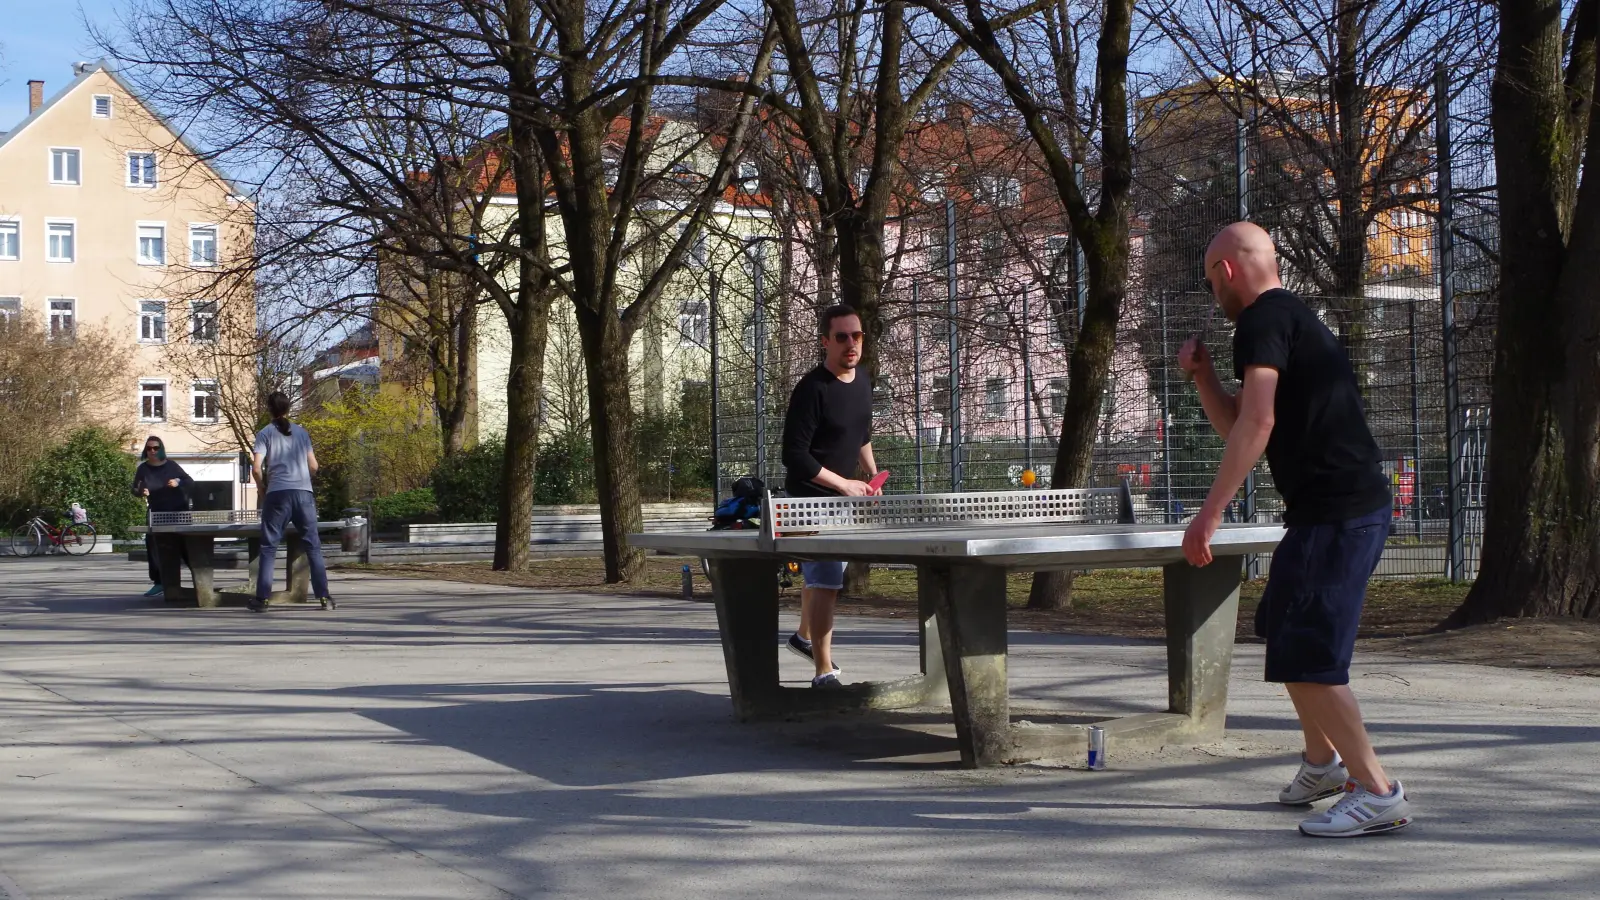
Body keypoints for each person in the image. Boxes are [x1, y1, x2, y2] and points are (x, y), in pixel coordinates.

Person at [1179, 222, 1411, 837]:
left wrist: (1210, 512)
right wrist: (1204, 378)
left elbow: (1256, 424)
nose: (1213, 294)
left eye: (1210, 279)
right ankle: (1322, 762)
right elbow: (1246, 427)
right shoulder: (1285, 321)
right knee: (1284, 629)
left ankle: (1378, 790)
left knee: (1310, 657)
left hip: (1340, 512)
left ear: (1228, 270)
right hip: (1326, 511)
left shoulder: (1262, 319)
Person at [779, 304, 881, 689]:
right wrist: (842, 483)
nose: (851, 344)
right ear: (825, 342)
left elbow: (861, 435)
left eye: (856, 336)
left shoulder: (863, 381)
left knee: (827, 575)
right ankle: (823, 673)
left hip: (842, 499)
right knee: (825, 582)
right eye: (841, 337)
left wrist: (870, 473)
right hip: (807, 501)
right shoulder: (812, 390)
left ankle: (803, 638)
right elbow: (794, 456)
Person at [250, 391, 334, 612]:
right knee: (313, 546)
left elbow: (257, 468)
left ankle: (262, 600)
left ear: (269, 409)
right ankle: (324, 598)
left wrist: (262, 489)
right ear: (288, 408)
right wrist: (304, 478)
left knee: (269, 547)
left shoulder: (265, 433)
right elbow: (314, 466)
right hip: (303, 493)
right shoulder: (302, 433)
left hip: (277, 493)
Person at [131, 435, 193, 597]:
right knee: (154, 547)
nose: (152, 451)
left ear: (161, 450)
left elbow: (189, 481)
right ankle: (159, 582)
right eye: (149, 448)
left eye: (156, 448)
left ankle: (198, 578)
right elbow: (135, 489)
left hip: (179, 511)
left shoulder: (171, 466)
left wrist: (178, 482)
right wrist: (141, 491)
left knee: (186, 546)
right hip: (156, 512)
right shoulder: (143, 469)